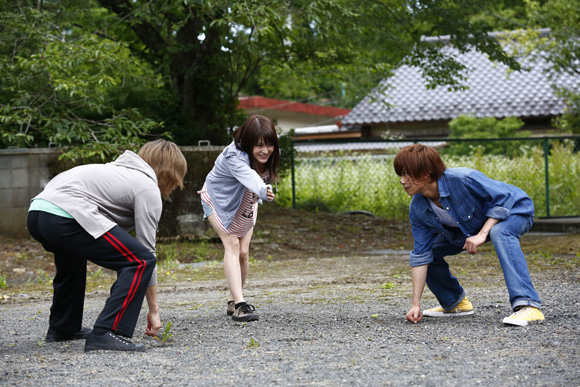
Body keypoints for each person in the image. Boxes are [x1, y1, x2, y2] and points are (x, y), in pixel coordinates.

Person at [27, 139, 187, 352]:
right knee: (140, 261)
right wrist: (154, 310)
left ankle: (63, 327)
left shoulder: (117, 172)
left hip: (38, 213)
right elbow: (146, 251)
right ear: (169, 175)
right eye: (177, 181)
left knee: (72, 258)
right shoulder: (147, 187)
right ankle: (106, 332)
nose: (176, 187)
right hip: (65, 214)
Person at [393, 144, 543, 327]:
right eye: (400, 175)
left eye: (406, 174)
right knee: (430, 251)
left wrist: (482, 234)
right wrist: (415, 305)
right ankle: (456, 303)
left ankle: (529, 305)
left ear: (425, 173)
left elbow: (504, 200)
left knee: (500, 232)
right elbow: (421, 256)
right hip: (470, 228)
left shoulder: (463, 178)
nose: (402, 181)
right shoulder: (418, 208)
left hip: (515, 209)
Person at [198, 115, 279, 322]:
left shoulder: (266, 156)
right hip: (218, 201)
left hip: (246, 199)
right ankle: (241, 305)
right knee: (232, 244)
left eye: (270, 144)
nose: (265, 150)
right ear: (248, 142)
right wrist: (264, 190)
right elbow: (250, 177)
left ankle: (234, 299)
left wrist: (263, 189)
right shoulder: (234, 156)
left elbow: (257, 181)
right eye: (259, 145)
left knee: (243, 253)